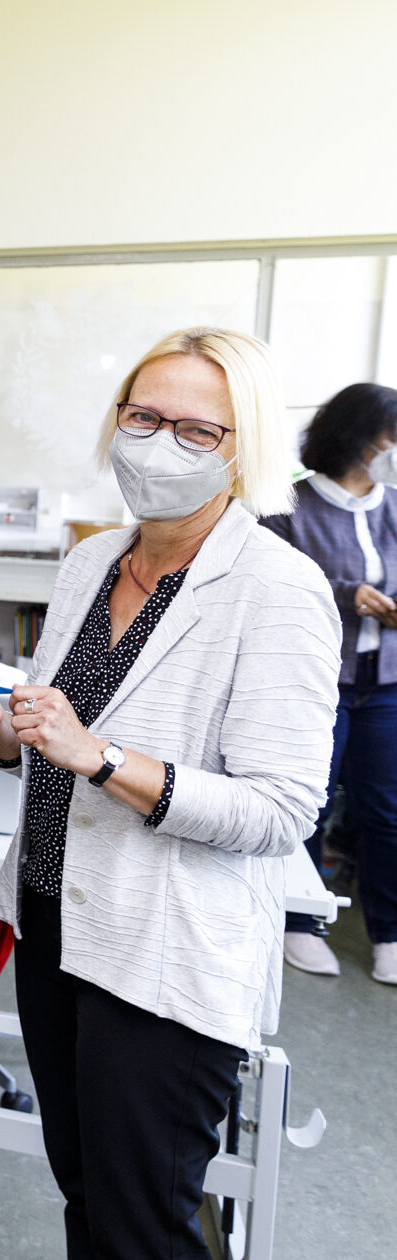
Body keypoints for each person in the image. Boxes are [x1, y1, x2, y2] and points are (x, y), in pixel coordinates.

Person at [0, 327, 339, 1257]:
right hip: (52, 921)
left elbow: (280, 810)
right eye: (145, 417)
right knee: (85, 1197)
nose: (161, 444)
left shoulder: (277, 588)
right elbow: (50, 742)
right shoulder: (90, 563)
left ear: (246, 446)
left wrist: (104, 757)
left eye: (198, 430)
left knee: (143, 1224)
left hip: (165, 954)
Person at [260, 381, 397, 983]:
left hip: (387, 682)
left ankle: (388, 934)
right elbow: (270, 586)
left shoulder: (394, 505)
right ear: (357, 435)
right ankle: (299, 922)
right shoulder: (287, 505)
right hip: (319, 680)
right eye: (391, 436)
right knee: (309, 804)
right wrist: (348, 596)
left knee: (386, 812)